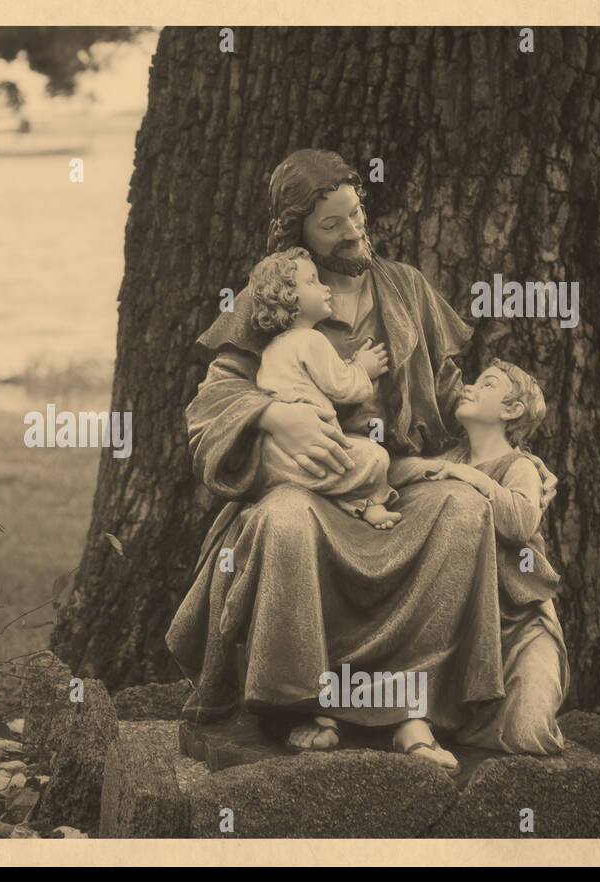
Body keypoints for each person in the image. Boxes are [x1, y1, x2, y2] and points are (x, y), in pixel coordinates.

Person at [165, 149, 558, 772]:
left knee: (460, 509)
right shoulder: (273, 295)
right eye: (331, 224)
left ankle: (412, 708)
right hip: (309, 483)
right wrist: (270, 414)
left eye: (356, 212)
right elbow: (212, 402)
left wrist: (513, 456)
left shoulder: (405, 289)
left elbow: (449, 392)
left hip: (393, 477)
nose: (352, 230)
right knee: (285, 523)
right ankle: (298, 704)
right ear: (299, 236)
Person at [390, 360, 568, 754]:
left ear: (512, 410)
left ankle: (467, 721)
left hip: (517, 623)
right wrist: (438, 468)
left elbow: (520, 521)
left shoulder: (519, 466)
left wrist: (477, 479)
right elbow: (395, 473)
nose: (468, 388)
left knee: (528, 733)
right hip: (462, 621)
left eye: (486, 384)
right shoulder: (450, 458)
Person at [249, 246, 401, 529]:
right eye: (313, 281)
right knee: (375, 457)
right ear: (288, 296)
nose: (325, 287)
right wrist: (364, 368)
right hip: (313, 449)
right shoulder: (311, 340)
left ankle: (341, 502)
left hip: (274, 457)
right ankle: (372, 504)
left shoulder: (272, 348)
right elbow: (343, 388)